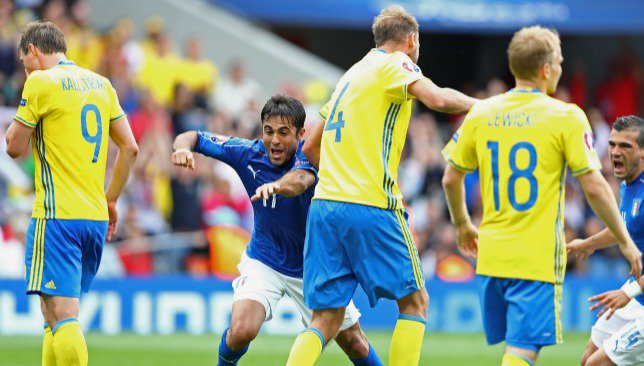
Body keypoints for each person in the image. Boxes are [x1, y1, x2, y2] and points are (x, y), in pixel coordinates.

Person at [286, 5, 478, 365]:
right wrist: (482, 106)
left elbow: (310, 144)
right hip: (371, 203)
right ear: (411, 41)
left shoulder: (349, 76)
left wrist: (339, 177)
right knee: (415, 302)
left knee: (325, 318)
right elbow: (436, 98)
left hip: (325, 206)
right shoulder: (395, 64)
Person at [441, 26, 642, 366]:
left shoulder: (481, 113)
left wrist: (462, 224)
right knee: (521, 352)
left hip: (490, 257)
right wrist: (625, 242)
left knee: (518, 350)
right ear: (547, 69)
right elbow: (593, 186)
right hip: (534, 258)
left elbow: (450, 178)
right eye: (560, 62)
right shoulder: (565, 116)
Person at [171, 94, 383, 366]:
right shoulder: (248, 152)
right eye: (269, 132)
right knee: (240, 332)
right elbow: (193, 136)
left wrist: (278, 186)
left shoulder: (311, 156)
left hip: (313, 267)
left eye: (284, 133)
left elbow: (301, 180)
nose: (274, 140)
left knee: (355, 343)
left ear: (300, 134)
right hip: (265, 259)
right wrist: (182, 149)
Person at [5, 21, 138, 366]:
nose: (25, 70)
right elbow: (130, 148)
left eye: (24, 62)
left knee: (62, 316)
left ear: (33, 50)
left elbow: (13, 147)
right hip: (94, 218)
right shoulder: (101, 84)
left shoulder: (40, 81)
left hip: (56, 216)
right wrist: (110, 199)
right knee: (53, 316)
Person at [567, 115, 644, 366]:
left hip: (636, 292)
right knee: (587, 357)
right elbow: (624, 229)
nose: (615, 152)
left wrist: (628, 291)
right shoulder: (628, 185)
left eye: (625, 146)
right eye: (612, 144)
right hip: (637, 294)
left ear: (643, 152)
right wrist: (587, 243)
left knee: (596, 364)